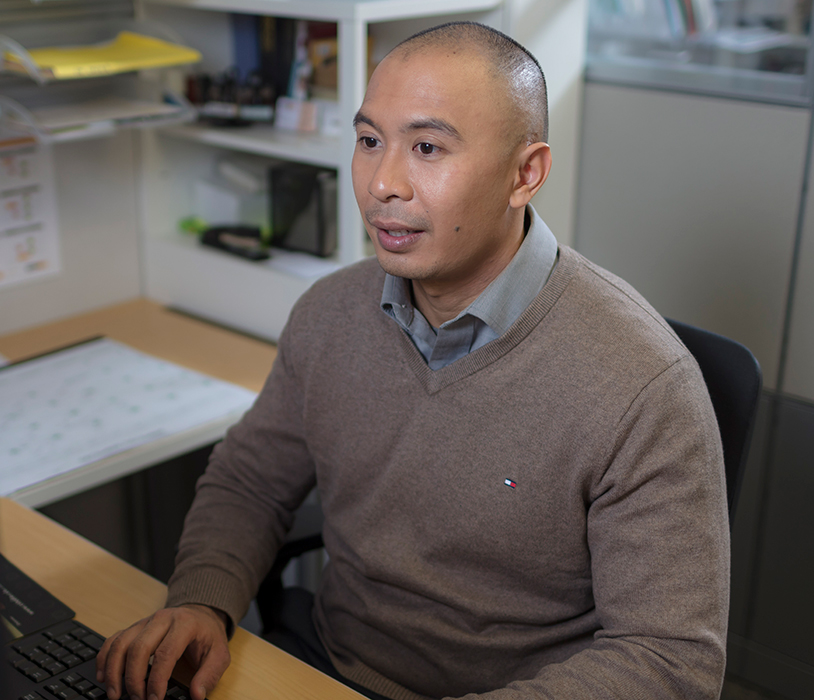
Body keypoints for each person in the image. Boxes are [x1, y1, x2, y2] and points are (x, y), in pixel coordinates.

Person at [96, 22, 730, 700]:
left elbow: (669, 661)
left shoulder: (642, 382)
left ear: (526, 174)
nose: (382, 184)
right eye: (370, 142)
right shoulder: (330, 311)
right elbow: (251, 480)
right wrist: (202, 599)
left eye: (427, 147)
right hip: (331, 666)